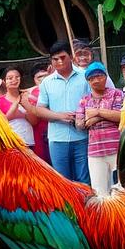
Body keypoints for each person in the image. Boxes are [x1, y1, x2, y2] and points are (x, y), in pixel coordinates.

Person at [29, 41, 90, 182]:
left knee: (84, 180)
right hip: (57, 139)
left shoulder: (85, 76)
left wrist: (82, 116)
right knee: (63, 181)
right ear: (51, 61)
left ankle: (85, 205)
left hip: (82, 137)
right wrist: (59, 116)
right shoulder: (47, 82)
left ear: (71, 56)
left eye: (63, 57)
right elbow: (39, 109)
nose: (60, 61)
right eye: (55, 59)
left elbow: (93, 102)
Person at [76, 62, 124, 195]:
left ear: (106, 77)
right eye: (92, 78)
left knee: (119, 190)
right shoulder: (84, 100)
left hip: (117, 150)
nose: (96, 80)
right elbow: (80, 124)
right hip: (95, 153)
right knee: (99, 191)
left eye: (99, 76)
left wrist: (96, 113)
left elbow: (121, 116)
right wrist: (107, 114)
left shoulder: (117, 94)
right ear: (88, 81)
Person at [0, 66, 35, 146]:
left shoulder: (28, 98)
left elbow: (34, 122)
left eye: (17, 77)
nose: (14, 80)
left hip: (28, 141)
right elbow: (0, 122)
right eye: (10, 78)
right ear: (4, 81)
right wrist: (16, 103)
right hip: (9, 143)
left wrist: (27, 106)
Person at [28, 69, 50, 163]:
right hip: (38, 134)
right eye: (39, 77)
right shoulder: (29, 95)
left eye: (45, 75)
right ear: (34, 79)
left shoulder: (57, 90)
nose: (43, 79)